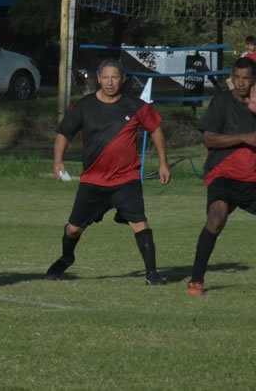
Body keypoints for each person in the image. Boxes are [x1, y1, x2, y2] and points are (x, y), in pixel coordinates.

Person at [46, 58, 171, 285]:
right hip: (93, 181)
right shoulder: (84, 106)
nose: (110, 82)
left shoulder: (135, 106)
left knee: (140, 224)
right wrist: (58, 162)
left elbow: (156, 130)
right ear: (98, 78)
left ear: (122, 79)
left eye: (115, 77)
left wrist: (163, 162)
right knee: (73, 229)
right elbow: (64, 134)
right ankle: (66, 257)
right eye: (106, 77)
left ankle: (152, 274)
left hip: (126, 179)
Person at [187, 58, 256, 296]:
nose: (240, 83)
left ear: (253, 80)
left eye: (245, 78)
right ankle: (196, 280)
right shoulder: (221, 102)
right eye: (236, 77)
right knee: (217, 216)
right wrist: (244, 138)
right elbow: (209, 139)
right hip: (223, 174)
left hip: (252, 178)